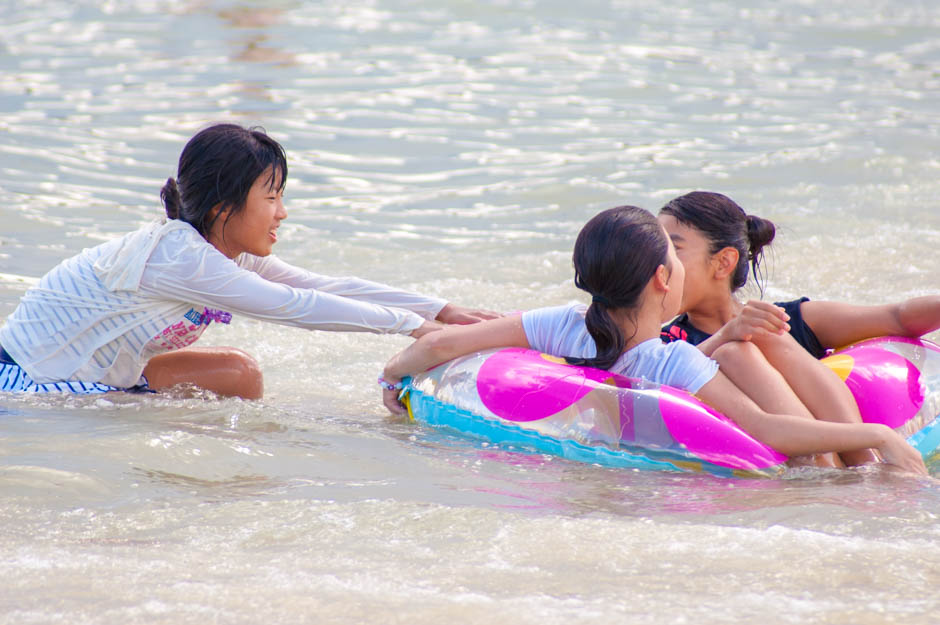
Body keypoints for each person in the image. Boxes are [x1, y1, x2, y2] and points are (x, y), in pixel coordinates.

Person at [379, 205, 928, 475]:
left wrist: (393, 377)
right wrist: (879, 431)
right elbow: (766, 431)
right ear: (665, 280)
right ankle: (851, 468)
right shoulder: (675, 363)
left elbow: (444, 347)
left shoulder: (562, 322)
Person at [0, 123, 496, 399]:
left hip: (96, 372)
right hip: (30, 383)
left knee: (238, 373)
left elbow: (321, 285)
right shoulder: (182, 258)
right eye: (271, 197)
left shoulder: (214, 246)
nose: (282, 212)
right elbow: (294, 306)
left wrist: (442, 310)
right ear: (223, 207)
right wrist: (413, 329)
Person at [657, 191, 940, 465]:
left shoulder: (787, 320)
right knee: (736, 350)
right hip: (776, 466)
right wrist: (724, 337)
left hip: (838, 454)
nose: (659, 263)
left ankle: (864, 462)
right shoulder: (668, 346)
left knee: (767, 333)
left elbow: (897, 318)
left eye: (673, 249)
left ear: (723, 263)